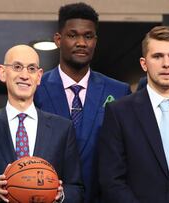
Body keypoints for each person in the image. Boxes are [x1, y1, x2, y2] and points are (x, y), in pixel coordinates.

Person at [99, 26, 169, 203]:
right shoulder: (118, 112)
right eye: (157, 56)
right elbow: (111, 180)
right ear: (144, 63)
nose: (166, 63)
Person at [0, 45, 84, 202]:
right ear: (3, 73)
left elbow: (77, 189)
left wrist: (61, 195)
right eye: (17, 67)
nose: (24, 75)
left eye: (31, 69)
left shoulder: (63, 128)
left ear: (39, 77)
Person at [34, 2, 131, 202]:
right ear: (58, 40)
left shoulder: (119, 91)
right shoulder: (36, 88)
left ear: (95, 40)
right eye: (72, 35)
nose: (81, 42)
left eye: (88, 36)